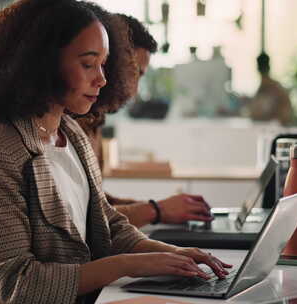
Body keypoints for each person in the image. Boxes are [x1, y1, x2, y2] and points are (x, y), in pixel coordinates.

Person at [0, 1, 231, 303]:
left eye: (103, 64)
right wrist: (129, 265)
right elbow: (16, 285)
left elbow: (108, 224)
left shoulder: (70, 132)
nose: (102, 79)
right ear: (42, 63)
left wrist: (174, 255)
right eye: (88, 64)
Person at [76, 14, 213, 228]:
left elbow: (96, 202)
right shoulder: (67, 126)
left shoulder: (94, 122)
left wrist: (157, 208)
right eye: (135, 73)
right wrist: (155, 210)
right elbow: (81, 219)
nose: (135, 89)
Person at [248, 52, 292, 125]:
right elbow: (254, 114)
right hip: (264, 128)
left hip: (275, 129)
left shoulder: (277, 89)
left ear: (257, 68)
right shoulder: (263, 89)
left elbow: (285, 116)